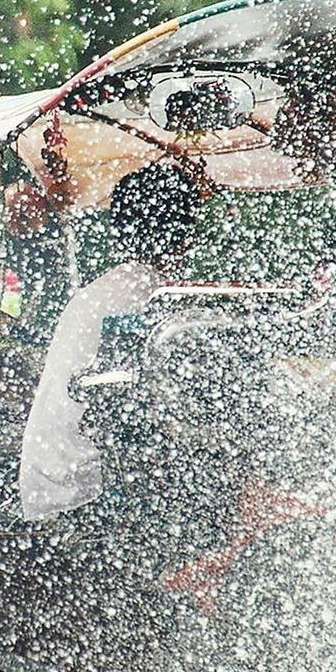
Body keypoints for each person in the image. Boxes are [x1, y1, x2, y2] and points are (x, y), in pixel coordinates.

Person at [18, 161, 203, 520]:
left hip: (53, 473)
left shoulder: (115, 287)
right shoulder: (144, 296)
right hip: (81, 483)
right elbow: (142, 405)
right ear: (184, 232)